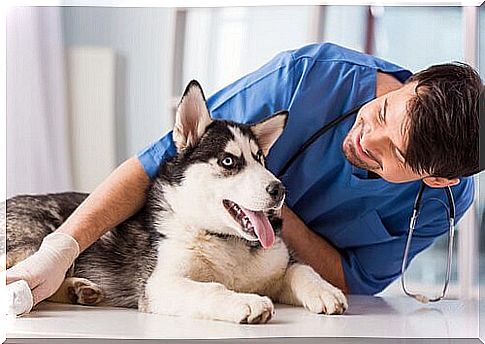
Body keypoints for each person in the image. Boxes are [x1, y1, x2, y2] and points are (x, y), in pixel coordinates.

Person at [7, 42, 483, 307]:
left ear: (437, 180)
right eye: (380, 112)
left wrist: (270, 208)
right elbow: (157, 163)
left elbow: (352, 280)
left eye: (391, 151)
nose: (365, 139)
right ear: (410, 82)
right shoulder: (308, 76)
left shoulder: (446, 204)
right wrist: (61, 247)